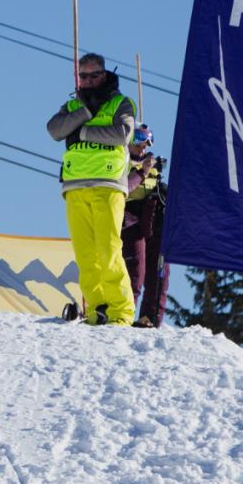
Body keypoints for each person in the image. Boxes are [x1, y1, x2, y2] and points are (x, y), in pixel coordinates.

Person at [46, 52, 136, 326]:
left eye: (93, 75)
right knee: (85, 254)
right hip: (75, 184)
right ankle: (98, 309)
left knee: (109, 249)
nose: (87, 81)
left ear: (104, 75)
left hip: (108, 183)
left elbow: (122, 134)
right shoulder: (73, 104)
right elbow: (54, 129)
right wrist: (84, 113)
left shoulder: (121, 103)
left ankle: (121, 312)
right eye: (82, 76)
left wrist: (82, 132)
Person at [120, 124, 161, 321]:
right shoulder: (123, 161)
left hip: (147, 217)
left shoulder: (151, 166)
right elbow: (125, 188)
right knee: (136, 268)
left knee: (157, 267)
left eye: (145, 146)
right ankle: (126, 312)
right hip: (127, 217)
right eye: (138, 145)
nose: (142, 150)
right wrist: (143, 171)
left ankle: (150, 317)